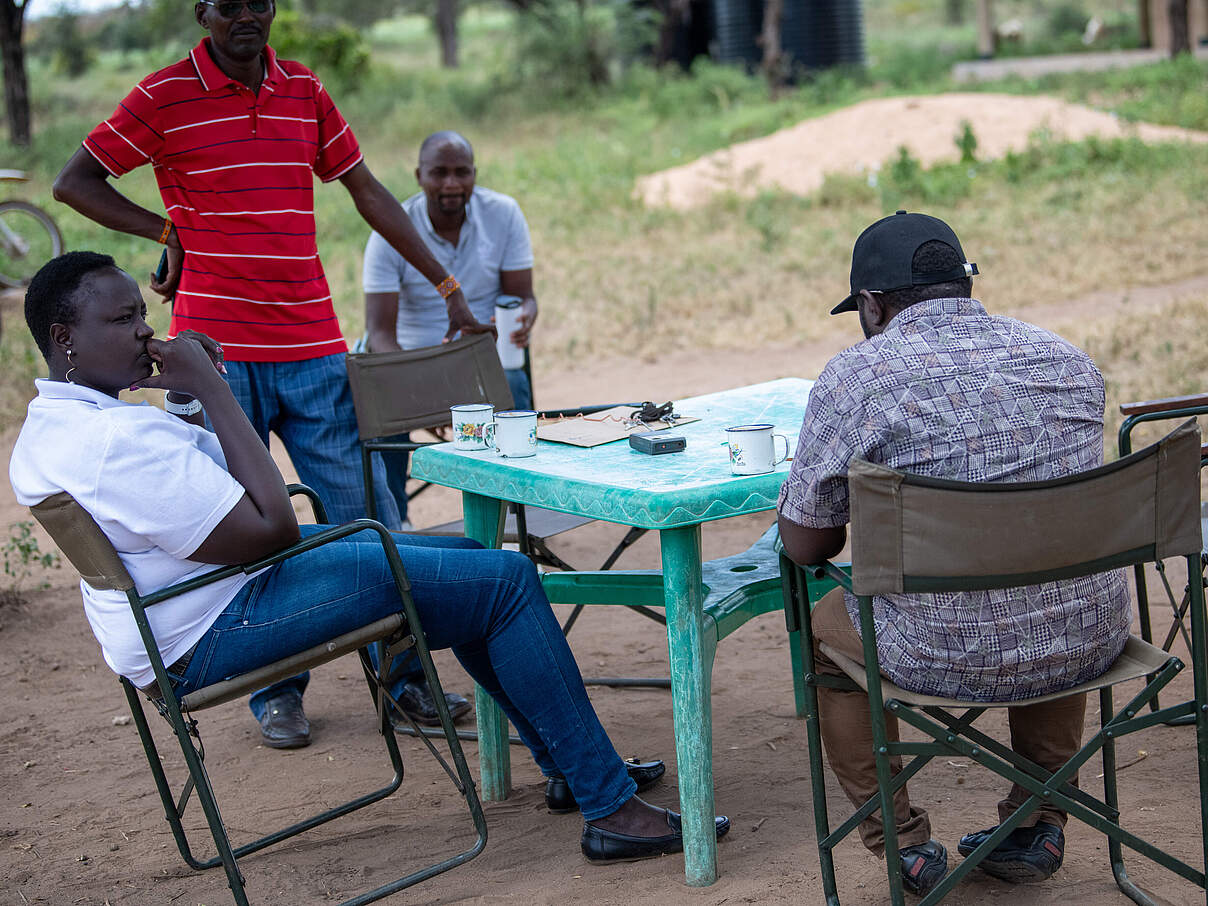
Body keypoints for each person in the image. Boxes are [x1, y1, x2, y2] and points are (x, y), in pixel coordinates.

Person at [9, 252, 729, 863]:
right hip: (217, 620)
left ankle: (576, 771)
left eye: (141, 310)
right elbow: (269, 530)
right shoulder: (109, 442)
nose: (144, 329)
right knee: (504, 580)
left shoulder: (66, 421)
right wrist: (214, 391)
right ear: (64, 336)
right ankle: (609, 807)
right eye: (122, 319)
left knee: (474, 568)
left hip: (202, 605)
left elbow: (209, 501)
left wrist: (192, 404)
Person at [51, 0, 483, 747]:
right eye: (229, 4)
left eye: (259, 1)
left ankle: (407, 684)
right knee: (242, 521)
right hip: (211, 355)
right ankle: (275, 691)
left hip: (312, 343)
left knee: (365, 515)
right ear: (203, 12)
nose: (245, 15)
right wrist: (166, 229)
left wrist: (448, 289)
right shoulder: (162, 96)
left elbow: (368, 191)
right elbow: (73, 182)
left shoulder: (305, 90)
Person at [776, 211, 1131, 895]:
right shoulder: (1066, 360)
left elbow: (808, 543)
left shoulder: (856, 379)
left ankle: (901, 844)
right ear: (962, 285)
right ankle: (1038, 821)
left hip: (934, 654)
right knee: (1047, 589)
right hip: (1090, 639)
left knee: (826, 631)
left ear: (872, 305)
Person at [362, 130, 538, 523]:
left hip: (480, 362)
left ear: (475, 173)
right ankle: (397, 523)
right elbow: (379, 333)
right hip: (412, 361)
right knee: (381, 397)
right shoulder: (390, 231)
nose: (451, 184)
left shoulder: (503, 214)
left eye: (462, 172)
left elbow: (523, 296)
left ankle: (517, 513)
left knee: (515, 385)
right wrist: (425, 393)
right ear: (418, 175)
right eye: (439, 172)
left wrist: (523, 315)